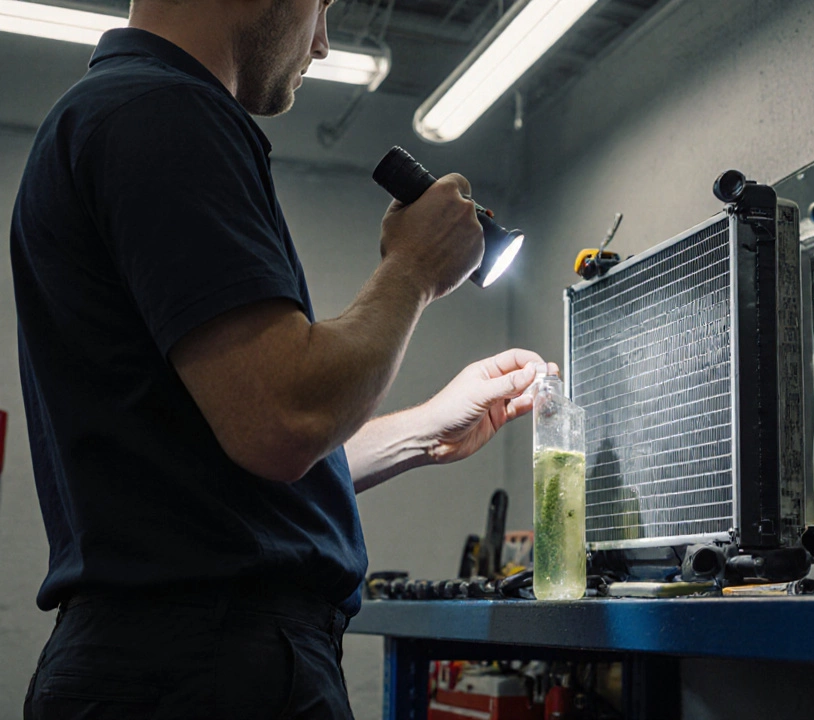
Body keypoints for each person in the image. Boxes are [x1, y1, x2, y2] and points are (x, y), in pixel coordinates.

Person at [10, 0, 549, 717]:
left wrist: (427, 431)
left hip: (174, 660)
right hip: (203, 668)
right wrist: (413, 271)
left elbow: (230, 455)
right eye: (322, 7)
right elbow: (283, 420)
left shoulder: (128, 111)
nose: (322, 43)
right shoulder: (161, 111)